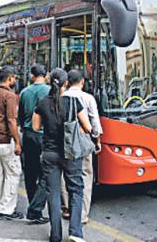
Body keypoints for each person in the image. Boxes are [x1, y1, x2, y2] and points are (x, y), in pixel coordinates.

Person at [32, 68, 92, 242]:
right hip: (71, 153)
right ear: (66, 83)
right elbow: (87, 127)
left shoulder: (42, 103)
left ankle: (55, 235)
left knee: (53, 193)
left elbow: (36, 127)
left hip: (50, 153)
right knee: (76, 190)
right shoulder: (74, 103)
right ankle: (75, 232)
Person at [63, 70, 103, 225]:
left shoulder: (62, 97)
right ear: (82, 82)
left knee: (65, 175)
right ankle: (81, 214)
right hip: (83, 141)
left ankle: (67, 208)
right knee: (85, 176)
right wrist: (97, 141)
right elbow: (95, 123)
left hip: (65, 141)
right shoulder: (88, 98)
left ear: (67, 82)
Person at [0, 65, 23, 220]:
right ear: (9, 78)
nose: (15, 80)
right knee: (13, 172)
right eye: (14, 77)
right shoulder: (10, 96)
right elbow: (12, 121)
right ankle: (6, 208)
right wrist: (17, 141)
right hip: (5, 140)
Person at [19, 64, 50, 224]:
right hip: (45, 136)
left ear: (32, 76)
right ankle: (36, 209)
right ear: (45, 75)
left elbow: (20, 116)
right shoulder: (50, 91)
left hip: (28, 135)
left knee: (30, 173)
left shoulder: (24, 92)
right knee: (46, 173)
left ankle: (32, 203)